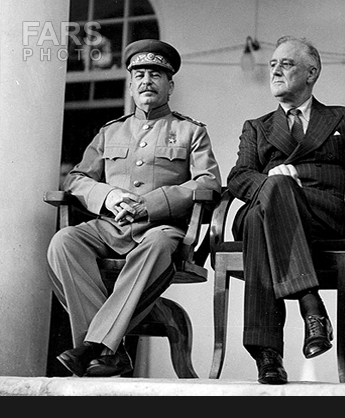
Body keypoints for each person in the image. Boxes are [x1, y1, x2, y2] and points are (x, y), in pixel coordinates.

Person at [46, 39, 221, 377]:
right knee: (64, 241)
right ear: (130, 85)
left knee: (157, 243)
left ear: (170, 86)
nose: (146, 81)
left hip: (159, 229)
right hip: (110, 227)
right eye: (139, 75)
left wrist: (149, 205)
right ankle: (107, 351)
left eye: (155, 75)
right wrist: (108, 195)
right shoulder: (110, 131)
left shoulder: (191, 132)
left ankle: (93, 347)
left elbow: (208, 183)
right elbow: (77, 178)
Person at [227, 36, 345, 384]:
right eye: (272, 64)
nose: (275, 71)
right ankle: (311, 305)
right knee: (272, 193)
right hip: (271, 206)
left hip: (323, 217)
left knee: (260, 219)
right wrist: (273, 182)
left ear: (311, 72)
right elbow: (238, 177)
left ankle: (268, 355)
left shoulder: (344, 119)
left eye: (286, 64)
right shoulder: (257, 127)